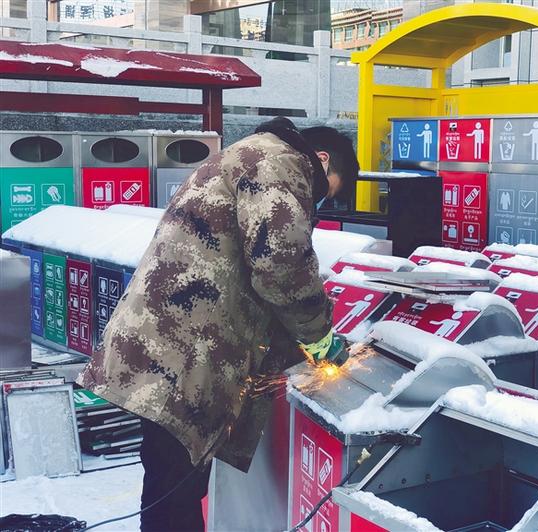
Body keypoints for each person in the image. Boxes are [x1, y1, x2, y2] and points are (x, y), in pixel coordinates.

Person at [78, 117, 359, 531]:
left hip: (166, 343)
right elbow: (281, 265)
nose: (316, 201)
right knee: (175, 488)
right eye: (324, 191)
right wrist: (318, 337)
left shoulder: (249, 155)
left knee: (168, 478)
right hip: (182, 353)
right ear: (321, 159)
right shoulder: (280, 164)